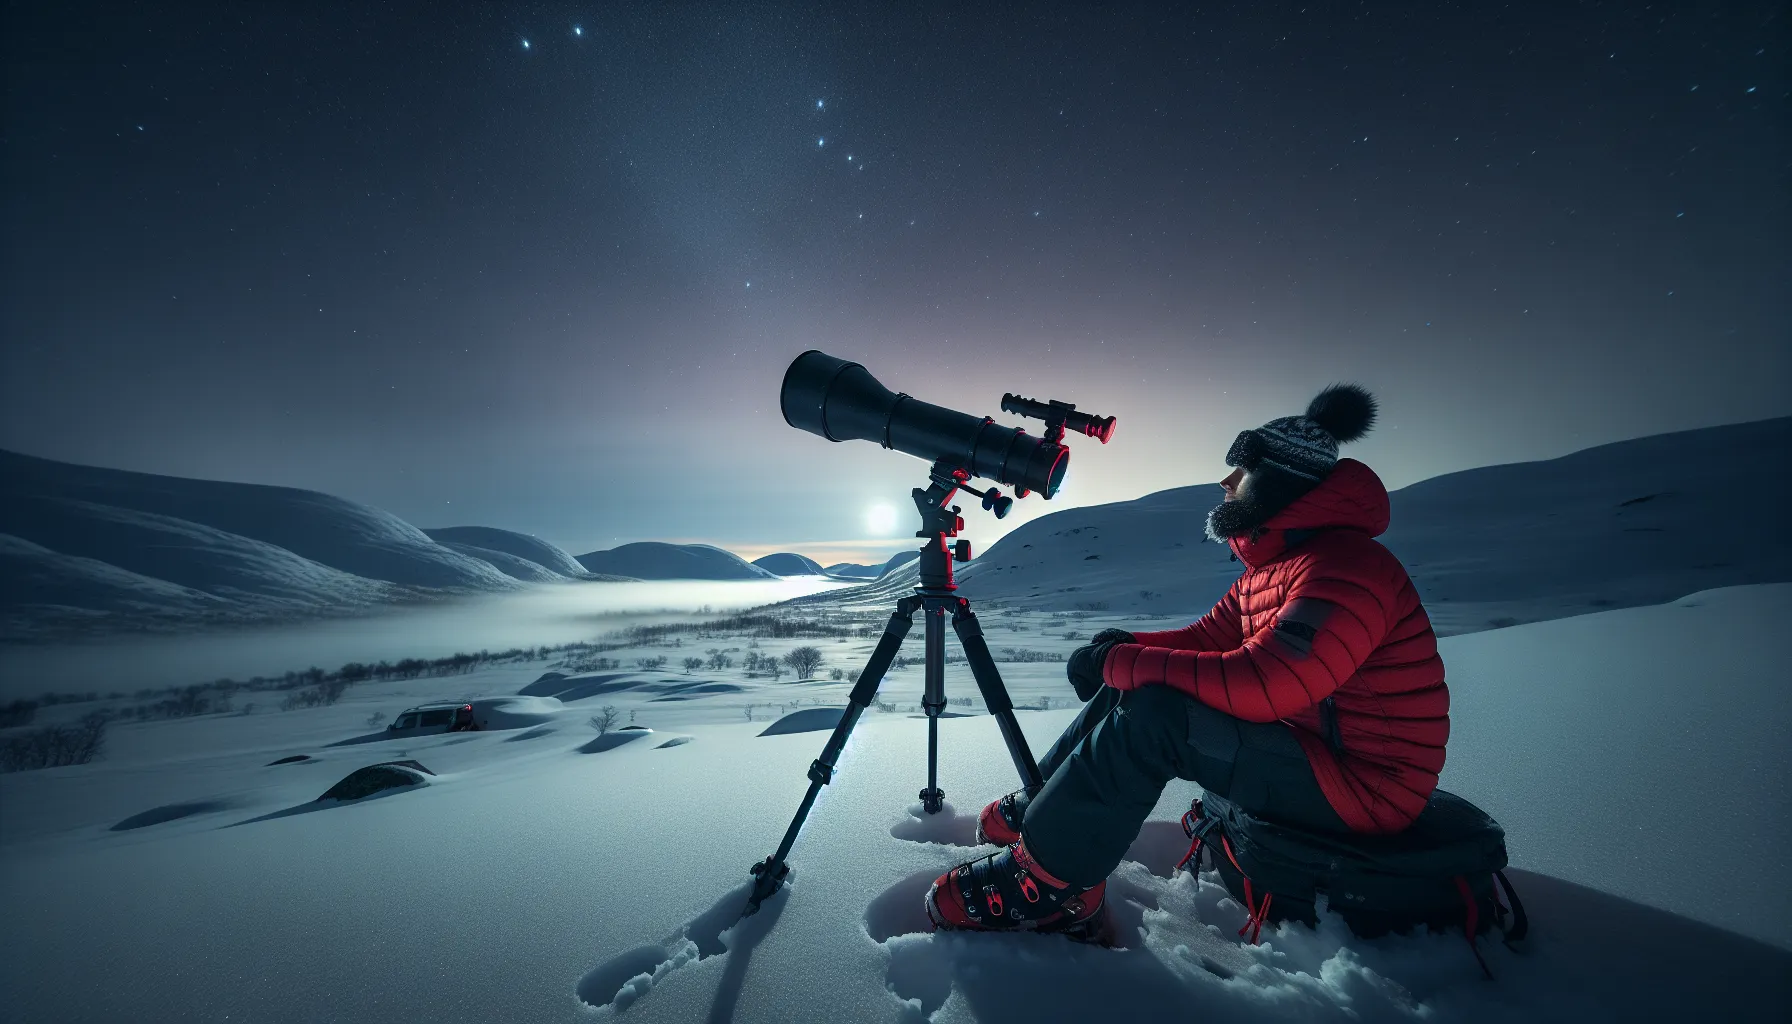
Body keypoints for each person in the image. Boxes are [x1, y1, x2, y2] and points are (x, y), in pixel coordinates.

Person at [925, 383, 1449, 939]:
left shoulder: (1346, 568)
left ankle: (1052, 888)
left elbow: (1268, 683)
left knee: (1157, 718)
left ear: (1274, 485)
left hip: (1364, 786)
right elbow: (1207, 638)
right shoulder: (1277, 568)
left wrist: (1123, 661)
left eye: (1241, 474)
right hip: (1315, 751)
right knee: (1136, 677)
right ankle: (1042, 801)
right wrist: (1125, 647)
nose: (1226, 485)